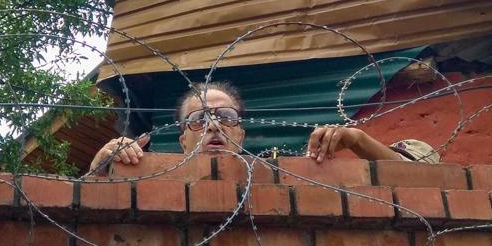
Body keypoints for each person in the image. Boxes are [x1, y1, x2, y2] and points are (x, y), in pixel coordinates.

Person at [89, 81, 438, 171]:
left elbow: (427, 177)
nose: (214, 127)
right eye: (199, 120)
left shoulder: (287, 173)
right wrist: (100, 168)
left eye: (225, 118)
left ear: (240, 132)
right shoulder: (151, 179)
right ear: (182, 138)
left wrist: (358, 139)